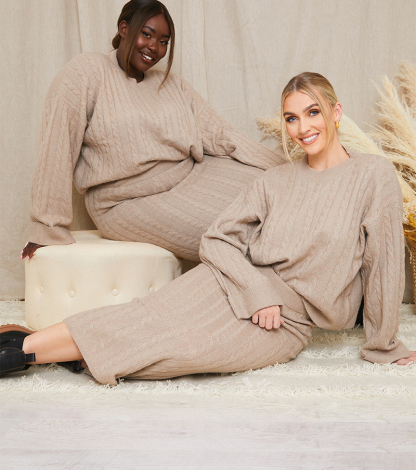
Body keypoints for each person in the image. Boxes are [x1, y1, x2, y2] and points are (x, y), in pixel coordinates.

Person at [4, 72, 415, 381]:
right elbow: (217, 239)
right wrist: (257, 291)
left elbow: (382, 261)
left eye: (313, 113)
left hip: (286, 322)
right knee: (144, 317)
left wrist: (383, 344)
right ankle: (19, 352)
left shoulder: (372, 175)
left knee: (179, 352)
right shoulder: (276, 180)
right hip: (233, 282)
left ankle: (38, 348)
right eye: (291, 118)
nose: (303, 128)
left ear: (335, 113)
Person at [22, 0, 284, 263]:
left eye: (163, 41)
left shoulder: (172, 84)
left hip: (192, 175)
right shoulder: (87, 72)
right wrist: (46, 227)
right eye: (147, 34)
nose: (154, 47)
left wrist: (288, 168)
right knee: (244, 230)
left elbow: (220, 134)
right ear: (124, 29)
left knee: (278, 193)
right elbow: (58, 145)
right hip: (125, 201)